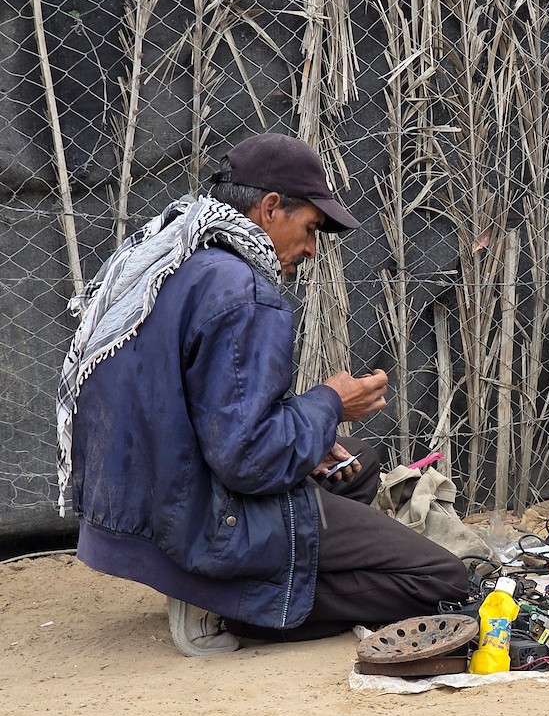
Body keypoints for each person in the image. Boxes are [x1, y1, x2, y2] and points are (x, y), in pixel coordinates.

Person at [57, 133, 469, 656]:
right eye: (311, 228)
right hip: (199, 519)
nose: (313, 248)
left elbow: (204, 414)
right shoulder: (245, 291)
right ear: (271, 207)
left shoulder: (173, 257)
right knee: (443, 579)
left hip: (141, 508)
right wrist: (330, 404)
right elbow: (247, 460)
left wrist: (315, 430)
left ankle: (231, 580)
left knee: (356, 463)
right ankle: (233, 602)